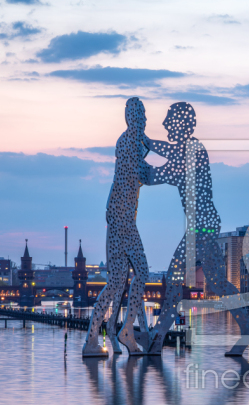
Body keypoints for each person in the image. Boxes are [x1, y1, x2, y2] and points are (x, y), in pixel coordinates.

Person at [142, 102, 249, 355]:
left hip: (200, 228)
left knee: (174, 281)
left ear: (183, 124)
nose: (164, 124)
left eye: (169, 120)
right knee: (217, 282)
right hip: (206, 225)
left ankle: (157, 338)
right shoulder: (190, 149)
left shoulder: (192, 150)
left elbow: (156, 175)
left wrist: (138, 154)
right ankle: (248, 325)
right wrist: (147, 142)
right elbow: (166, 151)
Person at [83, 98, 175, 356]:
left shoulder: (134, 141)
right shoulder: (128, 143)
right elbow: (145, 174)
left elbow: (153, 148)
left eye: (144, 113)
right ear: (129, 117)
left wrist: (174, 156)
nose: (144, 118)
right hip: (122, 221)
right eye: (139, 114)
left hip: (120, 220)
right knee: (141, 273)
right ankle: (124, 332)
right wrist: (176, 172)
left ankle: (95, 340)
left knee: (115, 283)